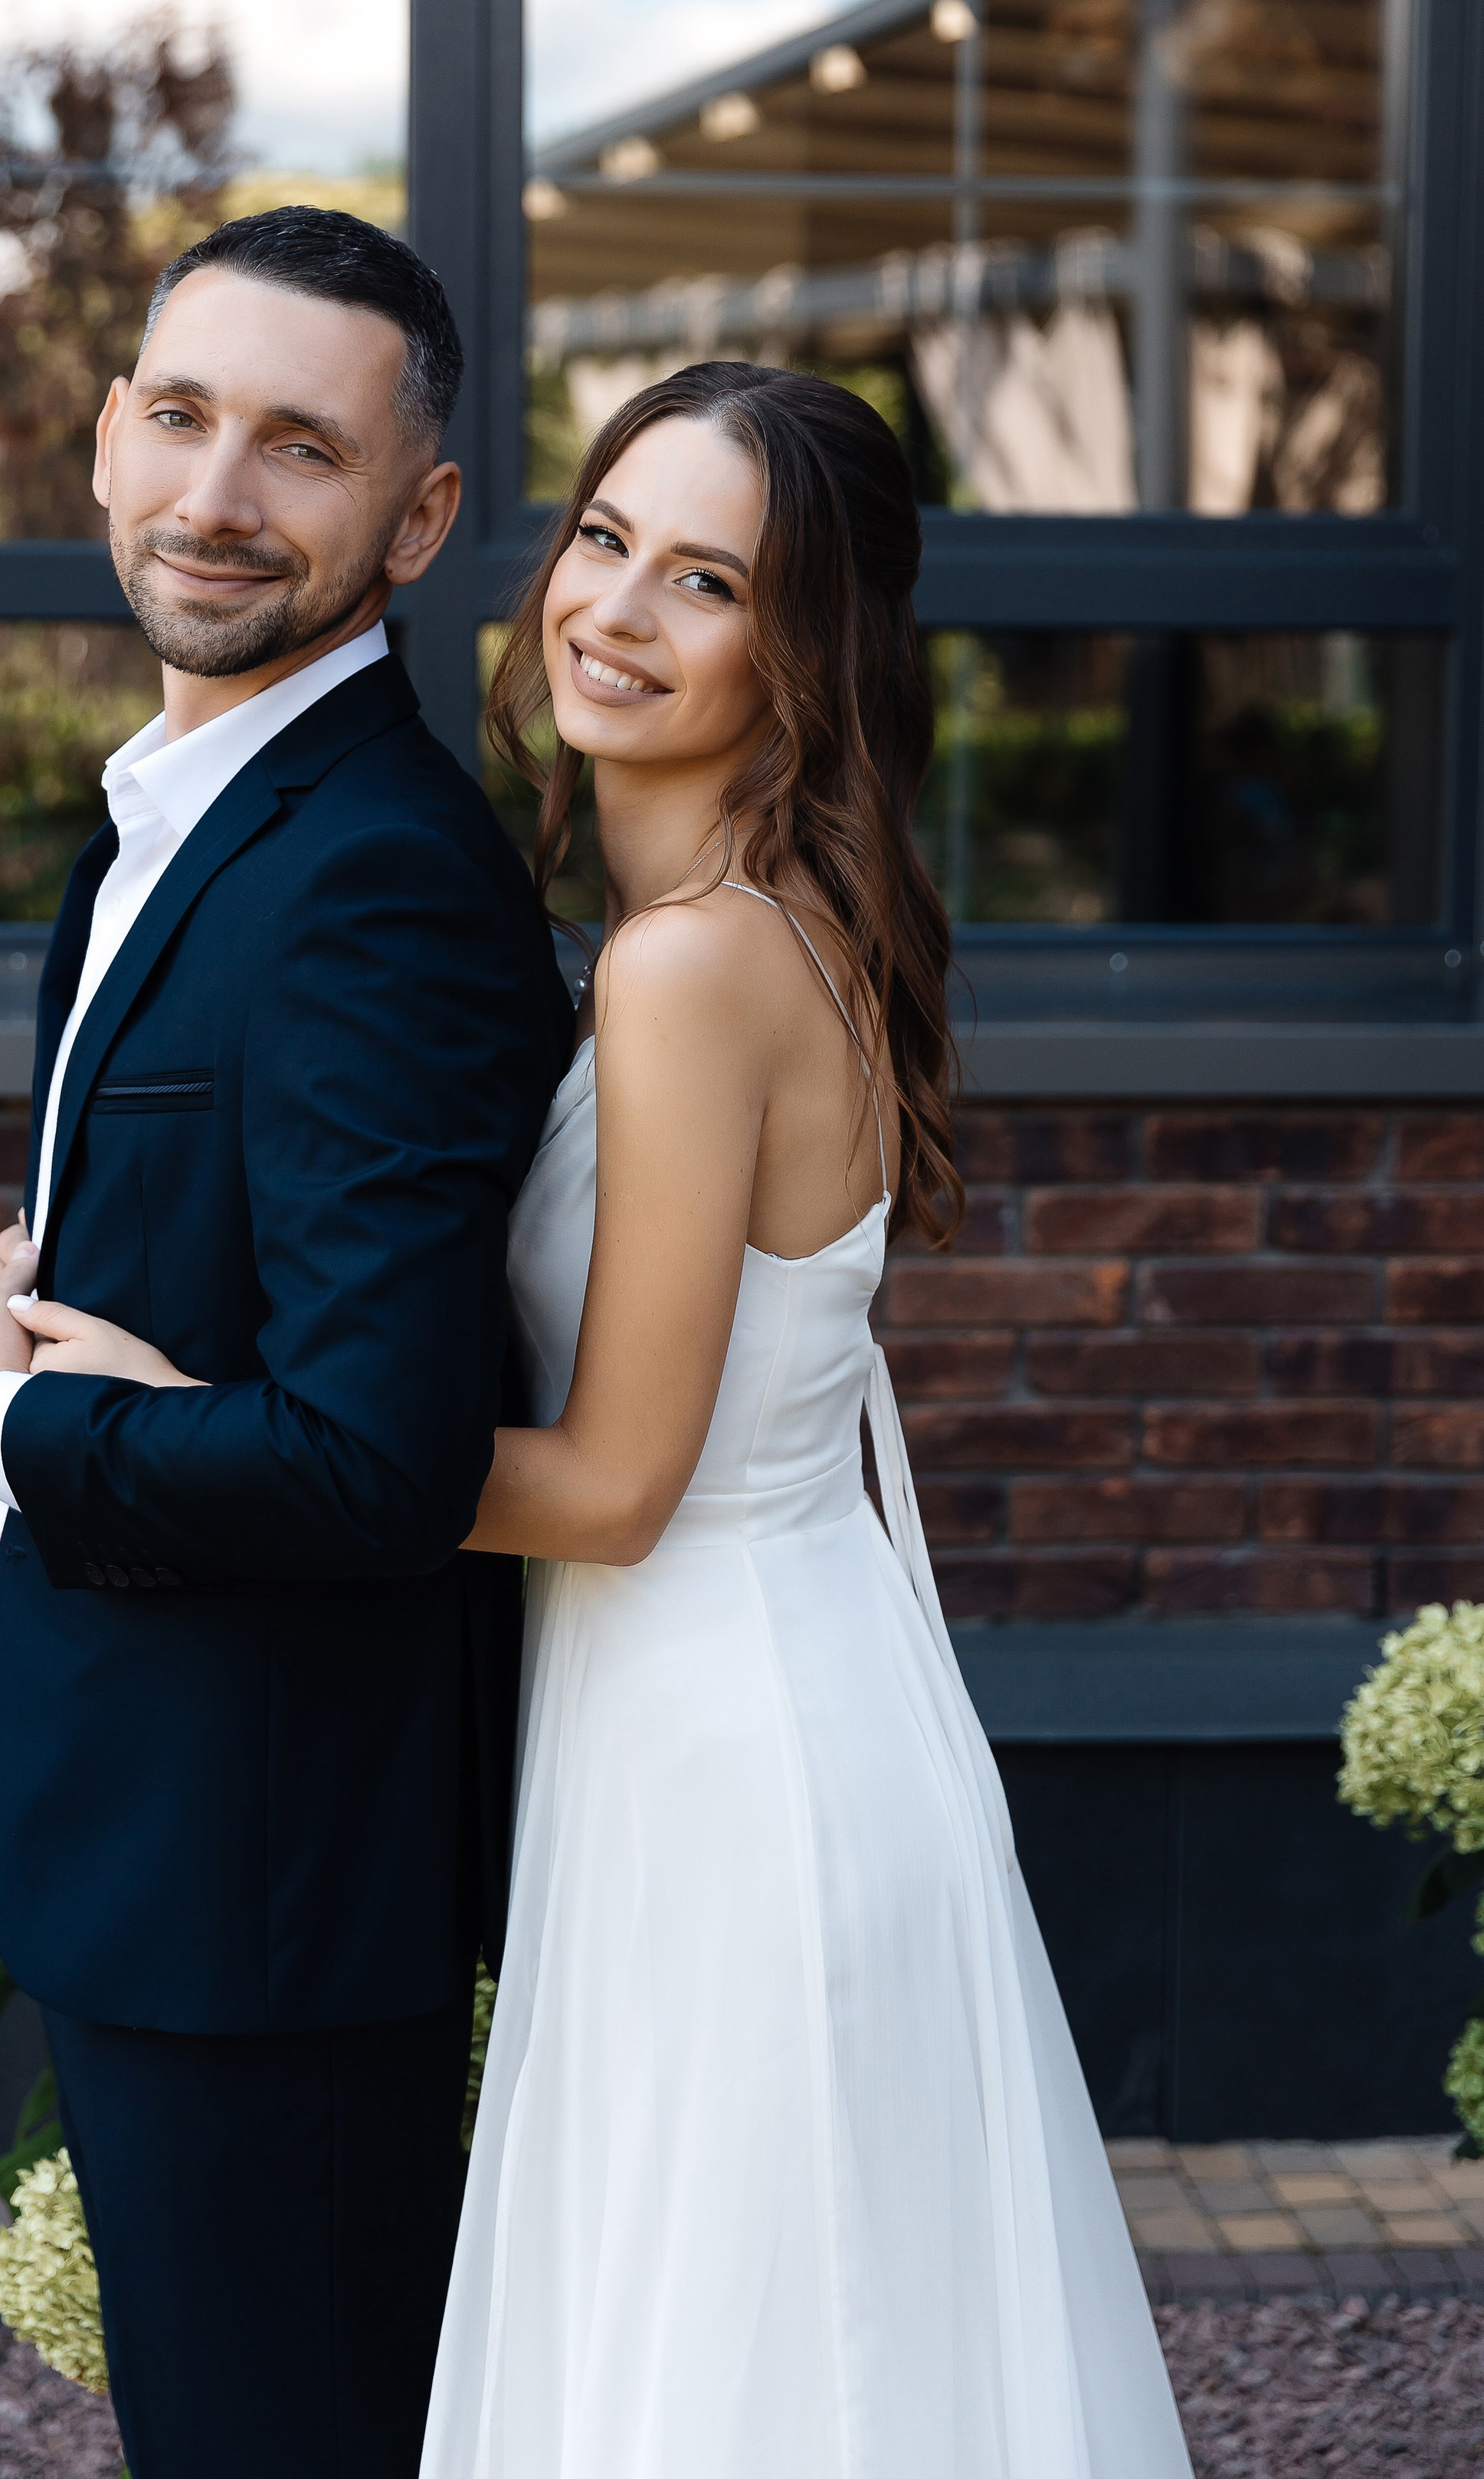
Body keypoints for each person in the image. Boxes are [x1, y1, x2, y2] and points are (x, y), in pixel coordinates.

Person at [420, 364, 1192, 2477]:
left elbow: (613, 1486)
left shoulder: (691, 969)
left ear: (812, 649)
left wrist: (221, 1437)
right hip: (762, 1712)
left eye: (708, 581)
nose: (615, 609)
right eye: (604, 540)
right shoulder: (761, 933)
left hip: (729, 1769)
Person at [0, 208, 574, 2479]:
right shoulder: (187, 809)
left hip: (264, 1896)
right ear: (109, 437)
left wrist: (18, 1432)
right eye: (184, 418)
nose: (216, 494)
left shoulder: (372, 869)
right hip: (178, 1845)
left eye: (301, 447)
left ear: (416, 518)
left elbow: (381, 1462)